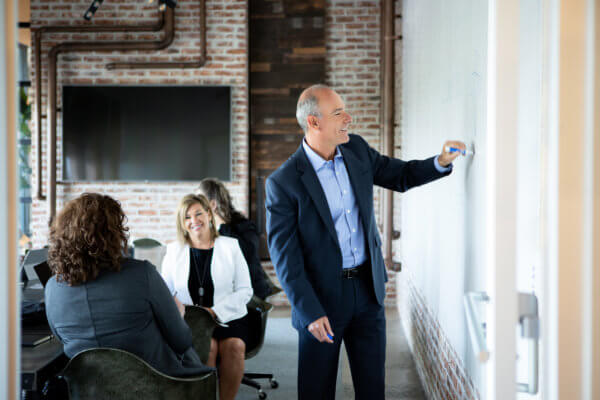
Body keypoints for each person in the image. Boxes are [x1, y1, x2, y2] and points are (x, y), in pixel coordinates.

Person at [265, 84, 465, 399]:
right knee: (316, 392)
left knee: (372, 390)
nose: (349, 118)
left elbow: (400, 174)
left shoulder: (356, 149)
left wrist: (439, 161)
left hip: (368, 293)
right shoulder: (284, 182)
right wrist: (309, 310)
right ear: (314, 123)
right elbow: (284, 257)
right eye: (338, 113)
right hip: (321, 302)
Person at [45, 193, 212, 377]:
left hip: (87, 391)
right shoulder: (143, 275)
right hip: (155, 389)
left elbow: (61, 339)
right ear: (113, 233)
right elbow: (181, 341)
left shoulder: (53, 288)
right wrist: (177, 314)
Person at [161, 194, 253, 400]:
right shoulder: (174, 251)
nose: (194, 221)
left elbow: (245, 290)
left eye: (198, 213)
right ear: (182, 224)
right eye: (187, 217)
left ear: (209, 215)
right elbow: (165, 293)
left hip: (227, 316)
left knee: (235, 346)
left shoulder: (231, 246)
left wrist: (213, 312)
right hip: (192, 320)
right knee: (208, 348)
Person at [196, 178, 270, 300]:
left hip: (250, 296)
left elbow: (246, 253)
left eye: (200, 200)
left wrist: (220, 222)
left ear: (213, 204)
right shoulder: (207, 230)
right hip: (223, 292)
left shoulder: (244, 226)